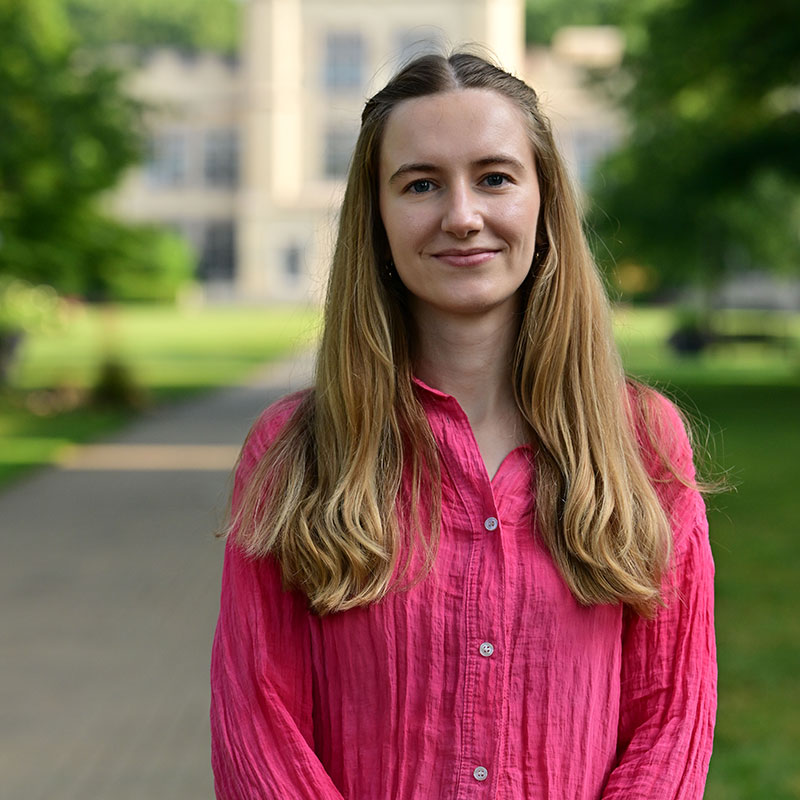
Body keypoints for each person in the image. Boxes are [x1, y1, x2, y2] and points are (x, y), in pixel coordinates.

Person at [210, 51, 716, 799]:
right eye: (420, 184)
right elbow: (259, 728)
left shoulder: (640, 441)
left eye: (494, 178)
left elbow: (670, 716)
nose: (462, 216)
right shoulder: (295, 452)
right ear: (376, 217)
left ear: (544, 200)